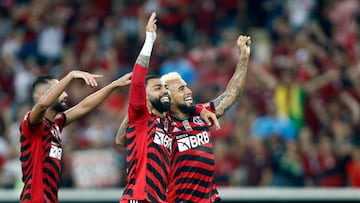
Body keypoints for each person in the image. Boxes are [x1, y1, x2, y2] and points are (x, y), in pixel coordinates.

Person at [115, 12, 218, 203]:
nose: (164, 91)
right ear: (144, 97)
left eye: (165, 88)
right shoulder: (141, 118)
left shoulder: (168, 124)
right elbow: (137, 80)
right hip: (137, 199)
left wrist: (198, 109)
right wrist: (150, 40)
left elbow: (182, 107)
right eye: (157, 88)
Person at [160, 35, 251, 202]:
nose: (188, 92)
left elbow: (232, 94)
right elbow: (122, 138)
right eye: (181, 89)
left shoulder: (202, 114)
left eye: (187, 87)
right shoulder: (161, 125)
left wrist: (243, 57)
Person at [19, 70, 132, 203]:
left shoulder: (55, 125)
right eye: (60, 91)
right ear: (45, 95)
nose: (66, 95)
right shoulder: (31, 124)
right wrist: (71, 75)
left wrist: (114, 85)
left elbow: (84, 107)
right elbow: (43, 104)